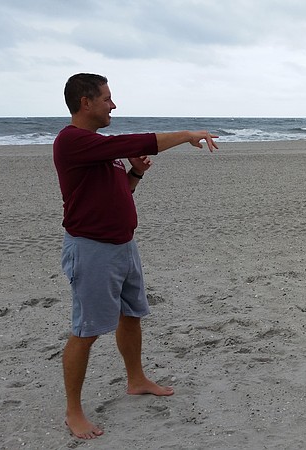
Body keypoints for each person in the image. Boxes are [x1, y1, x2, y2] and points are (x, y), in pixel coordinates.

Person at [53, 73, 218, 439]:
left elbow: (118, 195)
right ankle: (73, 411)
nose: (113, 104)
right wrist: (187, 134)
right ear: (86, 103)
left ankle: (136, 379)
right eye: (107, 98)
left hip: (123, 244)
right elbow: (140, 140)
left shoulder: (99, 150)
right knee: (86, 331)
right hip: (91, 249)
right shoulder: (73, 141)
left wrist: (136, 173)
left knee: (131, 315)